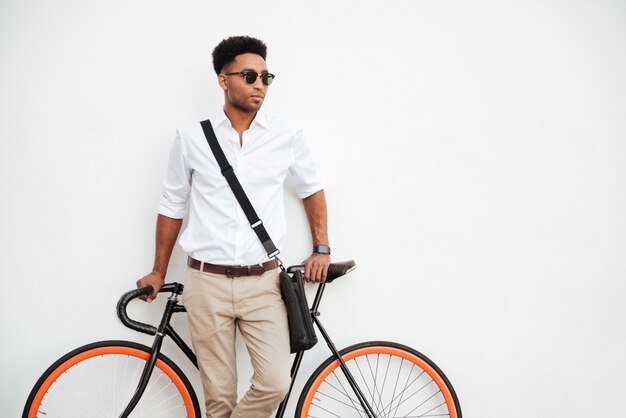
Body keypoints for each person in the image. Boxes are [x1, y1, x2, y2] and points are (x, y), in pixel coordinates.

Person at [136, 35, 331, 418]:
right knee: (219, 399)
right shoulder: (191, 138)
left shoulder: (286, 134)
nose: (260, 84)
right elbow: (172, 203)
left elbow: (311, 188)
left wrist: (321, 248)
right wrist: (159, 270)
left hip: (263, 283)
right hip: (205, 283)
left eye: (265, 77)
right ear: (223, 81)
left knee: (275, 383)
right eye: (249, 75)